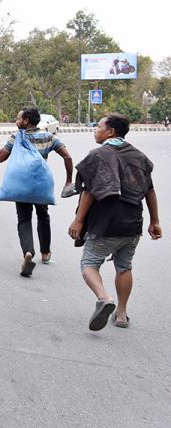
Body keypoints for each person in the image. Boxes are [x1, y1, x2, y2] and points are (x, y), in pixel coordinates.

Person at [68, 113, 161, 331]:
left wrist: (78, 220)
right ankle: (121, 314)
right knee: (124, 266)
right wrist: (155, 221)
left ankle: (104, 298)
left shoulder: (98, 155)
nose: (95, 129)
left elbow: (89, 192)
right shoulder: (139, 157)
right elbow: (150, 190)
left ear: (110, 131)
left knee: (89, 264)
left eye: (98, 126)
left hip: (105, 224)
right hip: (132, 224)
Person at [0, 107, 74, 277]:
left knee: (24, 218)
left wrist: (4, 148)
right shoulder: (48, 136)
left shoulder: (17, 137)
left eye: (18, 118)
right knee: (43, 216)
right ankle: (45, 253)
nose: (16, 121)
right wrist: (68, 180)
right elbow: (67, 157)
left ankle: (28, 252)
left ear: (26, 121)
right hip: (40, 185)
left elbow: (0, 157)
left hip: (21, 185)